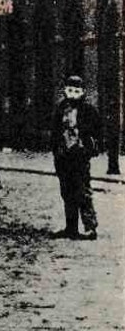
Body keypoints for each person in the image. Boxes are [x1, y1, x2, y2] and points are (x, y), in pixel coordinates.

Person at [49, 75, 100, 240]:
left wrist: (90, 148)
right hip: (63, 156)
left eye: (76, 91)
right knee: (67, 191)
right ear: (64, 90)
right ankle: (71, 227)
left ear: (83, 92)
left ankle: (90, 227)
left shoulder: (88, 110)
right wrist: (55, 149)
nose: (72, 94)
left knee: (82, 191)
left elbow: (97, 132)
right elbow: (55, 131)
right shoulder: (61, 108)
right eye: (69, 90)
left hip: (79, 155)